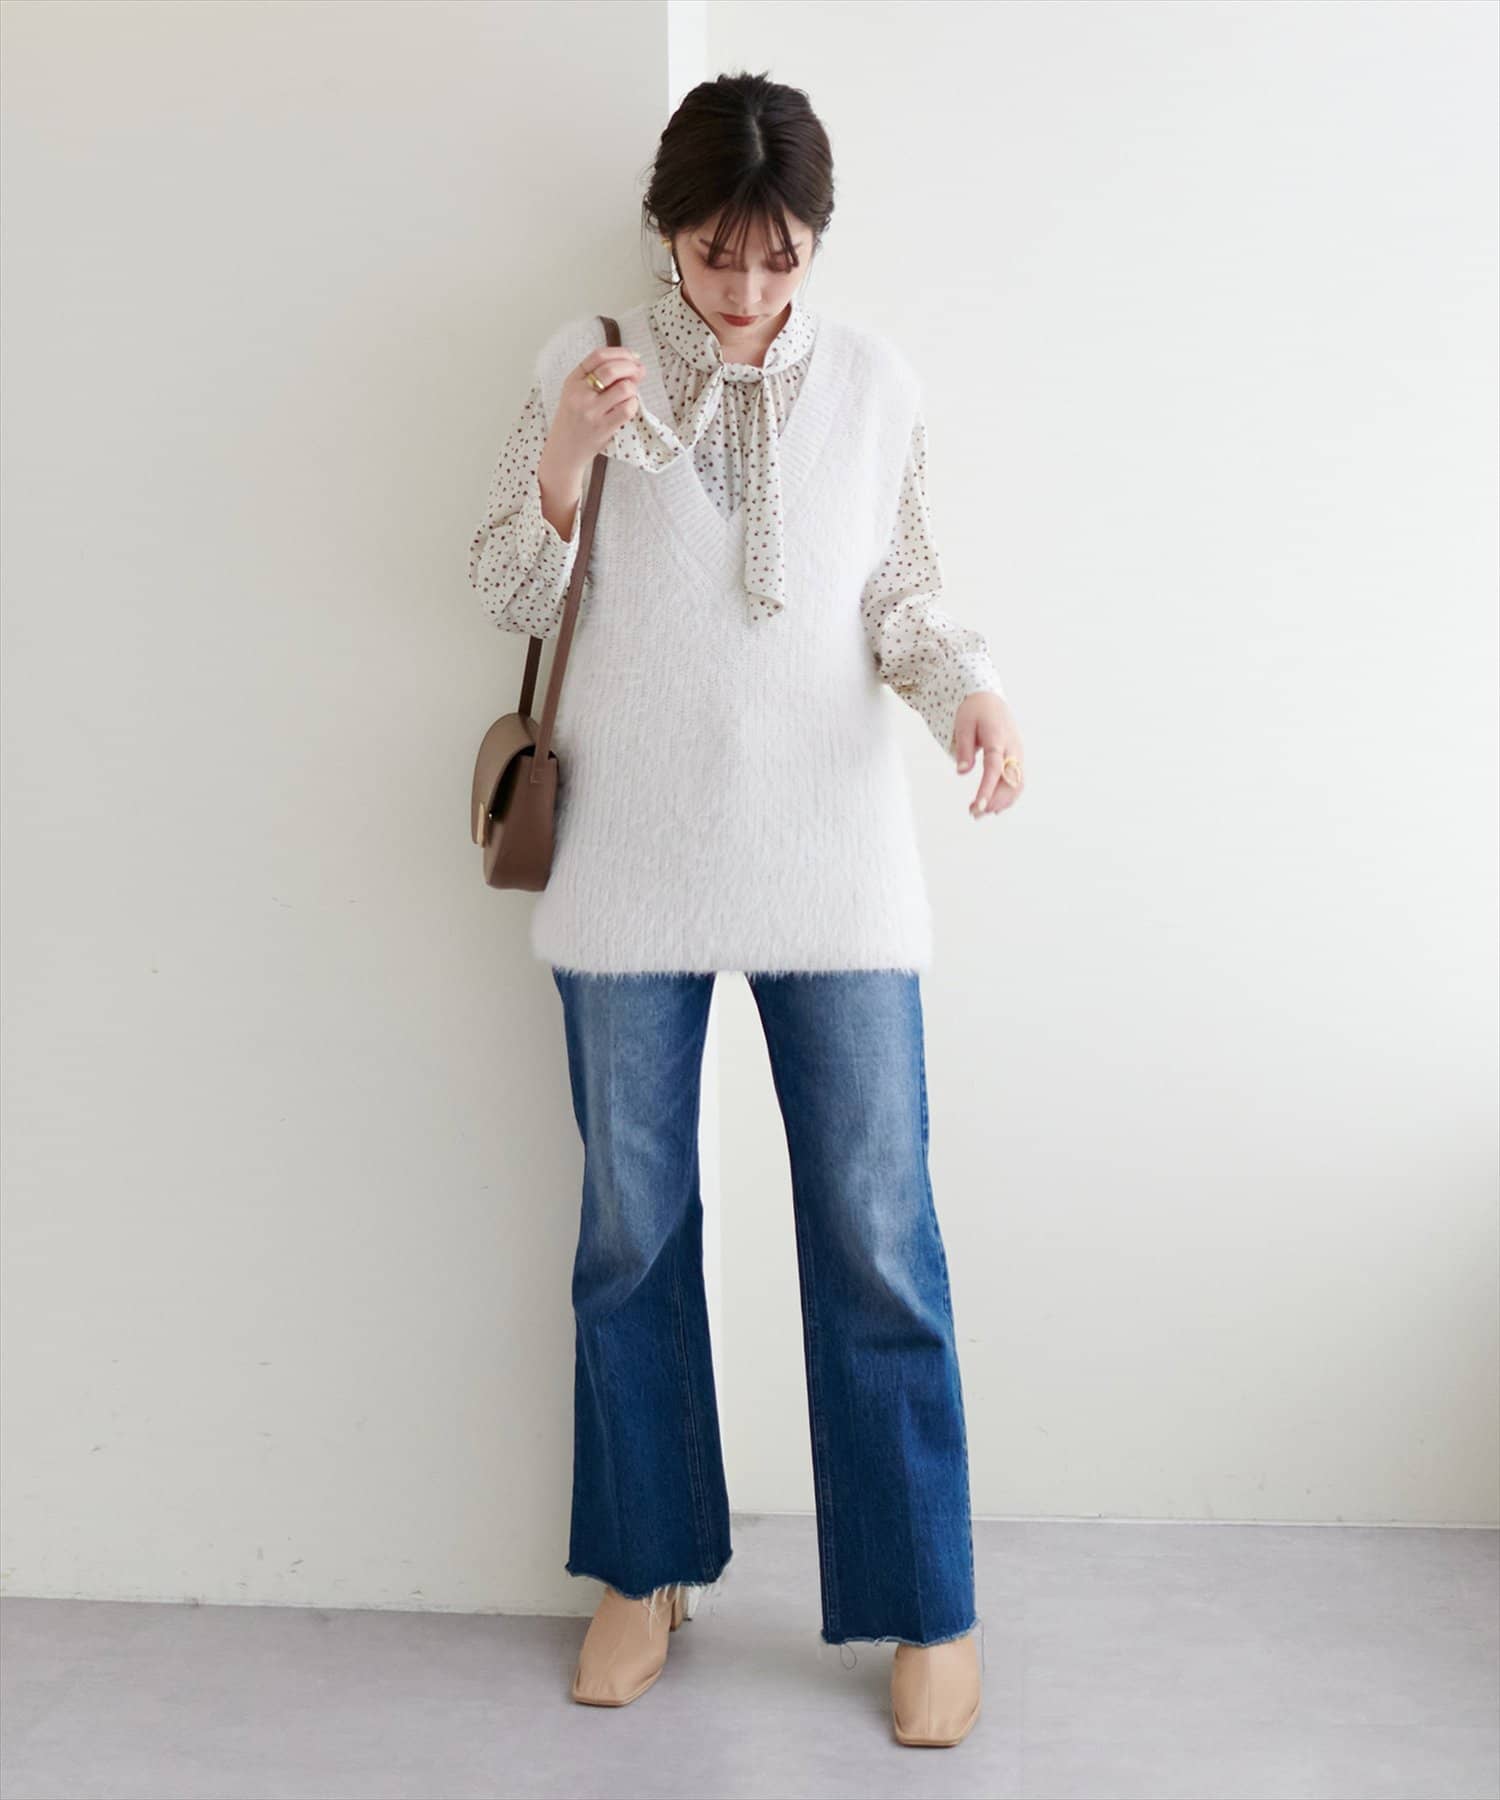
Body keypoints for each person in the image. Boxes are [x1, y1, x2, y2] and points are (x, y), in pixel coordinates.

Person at [467, 70, 1025, 1751]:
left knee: (877, 1236)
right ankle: (645, 1569)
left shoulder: (874, 382)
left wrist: (973, 695)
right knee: (631, 1231)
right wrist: (568, 453)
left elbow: (902, 596)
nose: (750, 290)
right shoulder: (587, 365)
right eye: (720, 254)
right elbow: (502, 588)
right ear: (668, 231)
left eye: (782, 258)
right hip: (628, 867)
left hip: (834, 866)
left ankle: (924, 1598)